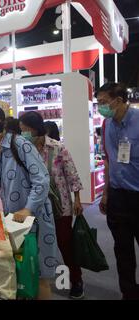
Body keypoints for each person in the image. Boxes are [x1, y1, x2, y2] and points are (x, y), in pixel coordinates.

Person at [0, 105, 58, 300]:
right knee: (16, 273)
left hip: (33, 220)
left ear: (3, 123)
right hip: (8, 222)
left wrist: (28, 209)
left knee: (38, 276)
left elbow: (42, 179)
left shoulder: (20, 144)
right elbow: (0, 183)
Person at [19, 111, 85, 299]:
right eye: (21, 130)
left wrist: (77, 200)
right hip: (35, 206)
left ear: (36, 129)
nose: (23, 133)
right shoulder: (23, 149)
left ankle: (76, 280)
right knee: (36, 244)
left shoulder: (57, 148)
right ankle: (38, 282)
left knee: (65, 243)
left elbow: (72, 175)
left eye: (25, 130)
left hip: (60, 205)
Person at [97, 82, 139, 300]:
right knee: (122, 250)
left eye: (104, 102)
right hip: (117, 196)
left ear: (119, 101)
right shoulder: (106, 125)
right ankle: (129, 293)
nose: (100, 107)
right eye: (99, 102)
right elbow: (107, 160)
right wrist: (105, 193)